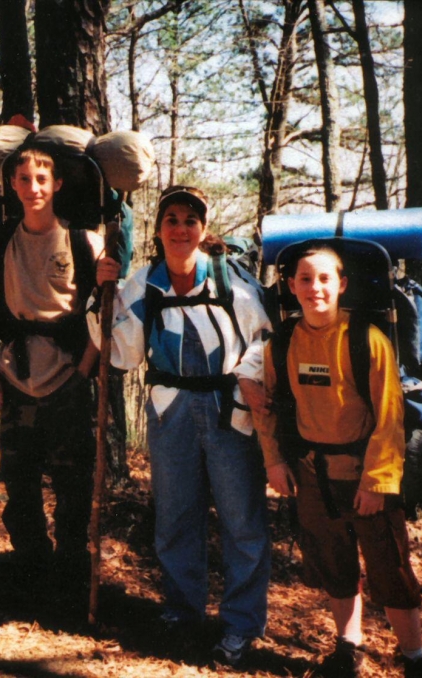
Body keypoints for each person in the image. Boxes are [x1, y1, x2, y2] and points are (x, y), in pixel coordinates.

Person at [93, 186, 272, 667]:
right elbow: (124, 354)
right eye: (170, 218)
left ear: (203, 229)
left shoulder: (231, 280)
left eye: (190, 220)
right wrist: (101, 295)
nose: (180, 227)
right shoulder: (143, 282)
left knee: (241, 520)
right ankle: (181, 611)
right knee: (175, 517)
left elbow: (263, 339)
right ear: (158, 229)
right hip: (169, 407)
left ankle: (240, 625)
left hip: (228, 409)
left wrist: (246, 386)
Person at [242, 244, 422, 678]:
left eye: (325, 278)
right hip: (312, 475)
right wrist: (274, 462)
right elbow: (267, 409)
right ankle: (348, 647)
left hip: (364, 473)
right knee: (334, 564)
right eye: (305, 280)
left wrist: (377, 483)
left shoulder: (368, 340)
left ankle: (415, 658)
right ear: (290, 286)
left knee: (390, 568)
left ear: (342, 284)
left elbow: (390, 418)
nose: (315, 289)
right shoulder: (283, 343)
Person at [0, 144, 102, 613]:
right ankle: (29, 568)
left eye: (42, 180)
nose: (33, 188)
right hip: (15, 375)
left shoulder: (85, 242)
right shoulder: (1, 238)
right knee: (20, 482)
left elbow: (105, 314)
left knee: (72, 486)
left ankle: (70, 577)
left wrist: (84, 371)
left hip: (68, 377)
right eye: (24, 179)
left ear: (58, 185)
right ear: (13, 184)